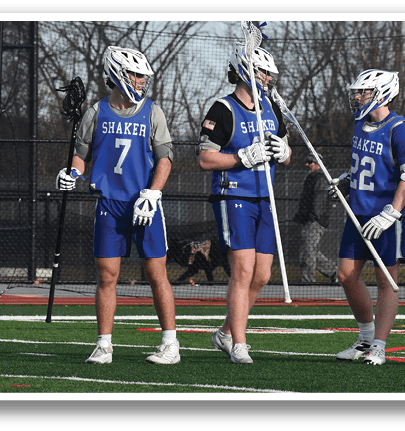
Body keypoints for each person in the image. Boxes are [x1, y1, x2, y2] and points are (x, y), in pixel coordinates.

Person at [55, 46, 179, 365]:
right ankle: (104, 345)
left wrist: (153, 193)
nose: (141, 81)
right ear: (119, 74)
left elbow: (165, 159)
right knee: (107, 275)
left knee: (156, 273)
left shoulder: (152, 112)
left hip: (144, 203)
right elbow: (81, 155)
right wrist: (71, 174)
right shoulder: (96, 112)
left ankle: (170, 344)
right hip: (109, 203)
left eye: (142, 76)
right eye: (136, 75)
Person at [198, 43, 291, 364]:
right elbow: (205, 158)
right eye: (262, 71)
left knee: (262, 275)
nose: (267, 78)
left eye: (268, 73)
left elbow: (286, 150)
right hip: (234, 196)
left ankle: (225, 332)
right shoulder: (222, 109)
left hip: (266, 196)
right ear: (244, 70)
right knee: (243, 271)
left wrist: (285, 152)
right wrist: (242, 157)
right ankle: (239, 342)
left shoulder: (271, 106)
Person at [329, 69, 405, 366]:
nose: (357, 97)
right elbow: (368, 165)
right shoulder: (360, 124)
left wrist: (391, 212)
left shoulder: (399, 128)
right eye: (356, 92)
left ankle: (379, 345)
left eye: (363, 92)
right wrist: (346, 180)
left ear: (382, 94)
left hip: (387, 216)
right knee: (346, 275)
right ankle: (366, 336)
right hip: (359, 211)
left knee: (386, 279)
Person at [294, 154, 338, 283]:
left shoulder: (320, 178)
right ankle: (334, 272)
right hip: (310, 219)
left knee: (308, 250)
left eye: (310, 162)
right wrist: (300, 217)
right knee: (309, 250)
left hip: (315, 220)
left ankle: (308, 280)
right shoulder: (312, 177)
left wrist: (314, 218)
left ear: (317, 163)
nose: (307, 164)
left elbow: (319, 200)